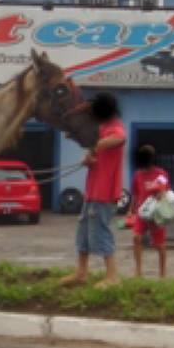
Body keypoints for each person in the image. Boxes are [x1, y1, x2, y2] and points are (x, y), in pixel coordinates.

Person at [59, 92, 127, 288]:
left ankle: (112, 276)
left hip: (105, 193)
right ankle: (81, 272)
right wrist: (88, 158)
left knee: (101, 231)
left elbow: (120, 138)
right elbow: (94, 154)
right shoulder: (102, 128)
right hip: (92, 191)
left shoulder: (115, 126)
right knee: (83, 233)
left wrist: (97, 145)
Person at [130, 144, 170, 278]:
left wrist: (161, 194)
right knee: (136, 238)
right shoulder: (138, 175)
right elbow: (135, 194)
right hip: (142, 212)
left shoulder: (161, 173)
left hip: (156, 213)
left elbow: (165, 191)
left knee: (159, 245)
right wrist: (130, 210)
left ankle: (162, 273)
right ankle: (138, 270)